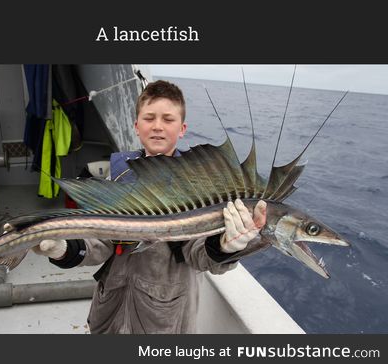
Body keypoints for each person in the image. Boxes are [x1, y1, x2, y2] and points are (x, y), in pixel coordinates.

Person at [32, 80, 267, 333]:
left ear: (182, 129)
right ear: (136, 126)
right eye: (149, 118)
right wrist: (63, 249)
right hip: (109, 312)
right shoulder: (120, 177)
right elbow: (101, 243)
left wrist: (224, 247)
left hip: (163, 322)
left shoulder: (199, 187)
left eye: (168, 119)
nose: (157, 126)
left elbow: (198, 255)